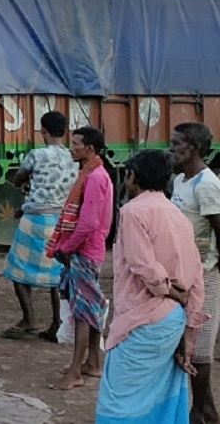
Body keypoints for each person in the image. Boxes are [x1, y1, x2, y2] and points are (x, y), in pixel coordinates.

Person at [96, 149, 206, 424]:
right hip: (172, 320)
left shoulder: (133, 212)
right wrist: (189, 330)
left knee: (119, 400)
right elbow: (196, 277)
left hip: (143, 317)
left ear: (132, 177)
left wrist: (169, 290)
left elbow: (143, 266)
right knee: (162, 395)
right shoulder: (177, 215)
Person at [47, 126, 113, 391]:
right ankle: (93, 362)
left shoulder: (94, 177)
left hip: (85, 251)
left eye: (75, 144)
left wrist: (66, 247)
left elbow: (87, 223)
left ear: (90, 150)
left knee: (83, 311)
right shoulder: (94, 174)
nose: (71, 147)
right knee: (92, 306)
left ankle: (75, 370)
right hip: (90, 250)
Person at [1, 111, 77, 342]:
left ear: (42, 131)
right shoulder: (73, 157)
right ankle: (57, 322)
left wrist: (25, 183)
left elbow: (18, 178)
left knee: (18, 268)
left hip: (35, 219)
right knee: (56, 275)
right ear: (66, 132)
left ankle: (29, 319)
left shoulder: (37, 155)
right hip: (61, 220)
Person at [169, 122, 220, 423]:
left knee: (200, 350)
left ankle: (198, 413)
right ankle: (209, 412)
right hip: (184, 275)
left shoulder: (207, 185)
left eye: (178, 144)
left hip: (204, 274)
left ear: (196, 149)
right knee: (188, 346)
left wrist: (211, 269)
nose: (172, 149)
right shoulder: (180, 181)